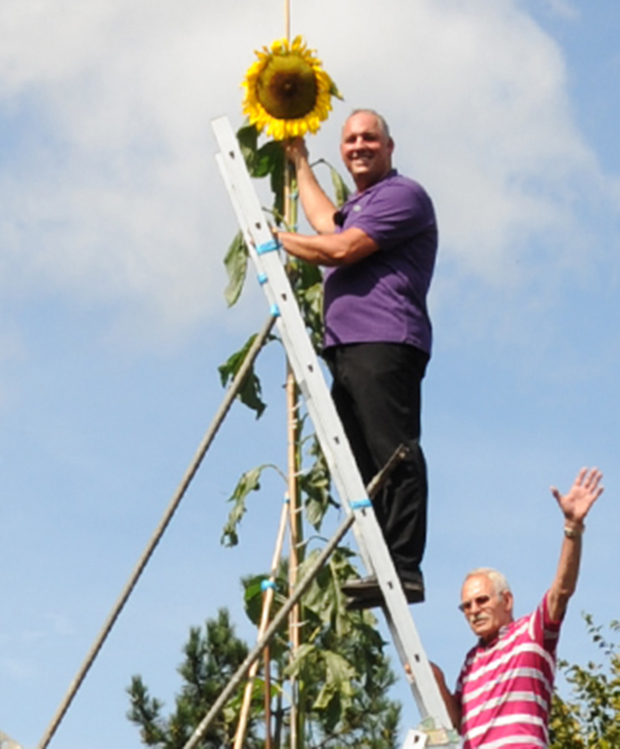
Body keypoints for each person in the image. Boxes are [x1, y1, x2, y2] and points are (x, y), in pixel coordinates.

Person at [276, 109, 438, 608]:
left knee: (393, 450)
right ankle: (384, 564)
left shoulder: (402, 195)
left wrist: (277, 241)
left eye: (369, 137)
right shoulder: (365, 203)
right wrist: (301, 160)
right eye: (349, 140)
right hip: (346, 346)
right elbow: (327, 220)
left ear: (390, 147)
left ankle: (404, 568)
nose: (358, 146)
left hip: (385, 339)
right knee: (360, 460)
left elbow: (342, 247)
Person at [432, 467, 605, 748]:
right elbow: (456, 723)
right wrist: (435, 678)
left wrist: (572, 529)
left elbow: (561, 591)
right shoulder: (470, 662)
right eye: (466, 606)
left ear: (507, 601)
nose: (474, 610)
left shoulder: (530, 634)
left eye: (482, 600)